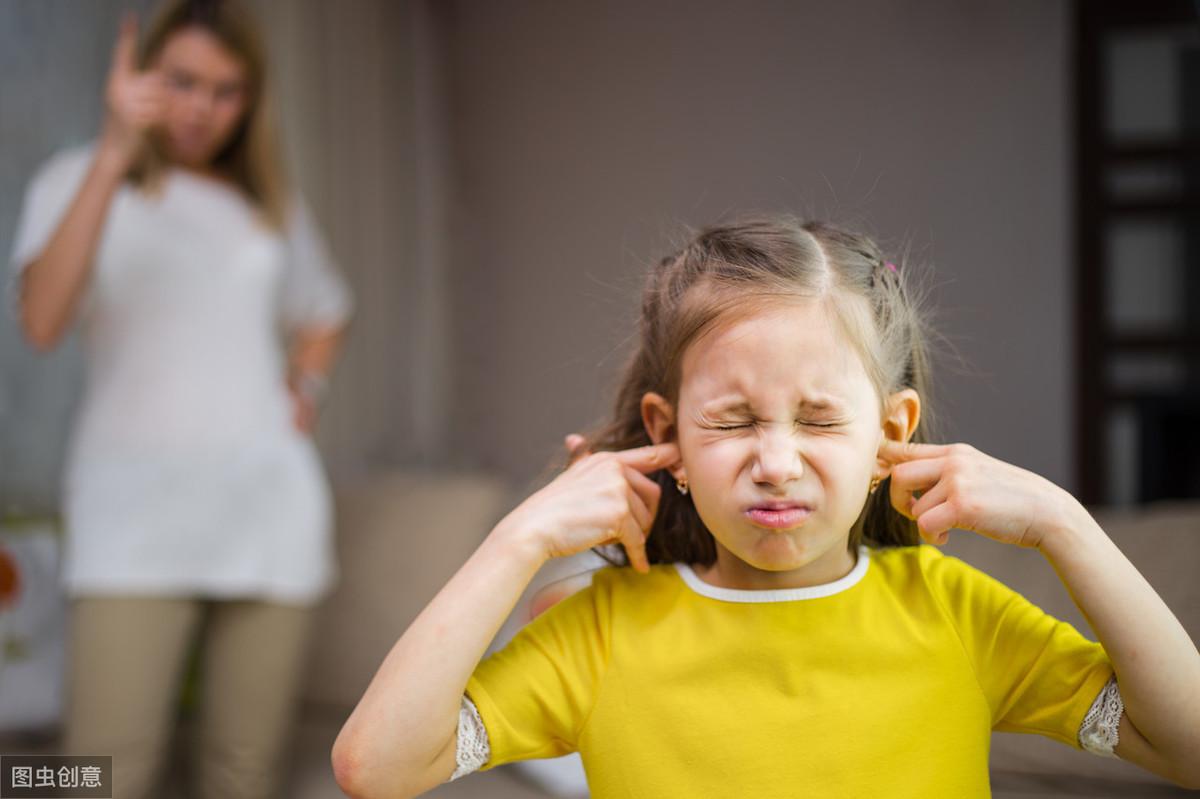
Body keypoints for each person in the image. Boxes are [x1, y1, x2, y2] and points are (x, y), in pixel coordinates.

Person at [330, 217, 1200, 797]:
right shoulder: (599, 634)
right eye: (733, 419)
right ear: (666, 435)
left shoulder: (957, 614)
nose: (775, 463)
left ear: (889, 434)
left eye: (820, 419)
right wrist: (519, 537)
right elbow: (375, 767)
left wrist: (1066, 524)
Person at [7, 1, 353, 797]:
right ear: (142, 75)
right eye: (183, 81)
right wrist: (112, 156)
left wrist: (306, 386)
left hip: (268, 510)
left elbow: (328, 310)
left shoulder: (268, 210)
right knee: (96, 774)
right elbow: (41, 320)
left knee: (243, 773)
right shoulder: (75, 177)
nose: (202, 107)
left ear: (251, 100)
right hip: (130, 516)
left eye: (226, 90)